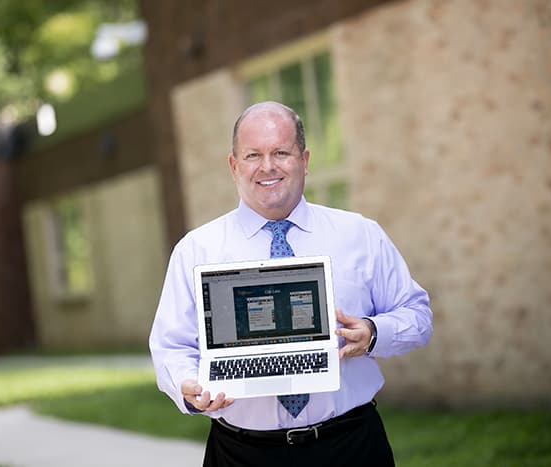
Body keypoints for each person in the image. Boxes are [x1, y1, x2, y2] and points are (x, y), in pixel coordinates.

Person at [149, 101, 432, 466]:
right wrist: (189, 386)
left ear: (305, 160)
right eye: (253, 155)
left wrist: (374, 332)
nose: (267, 166)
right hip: (241, 454)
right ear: (234, 166)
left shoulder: (360, 235)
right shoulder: (196, 250)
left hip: (349, 446)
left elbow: (418, 316)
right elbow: (171, 346)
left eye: (281, 152)